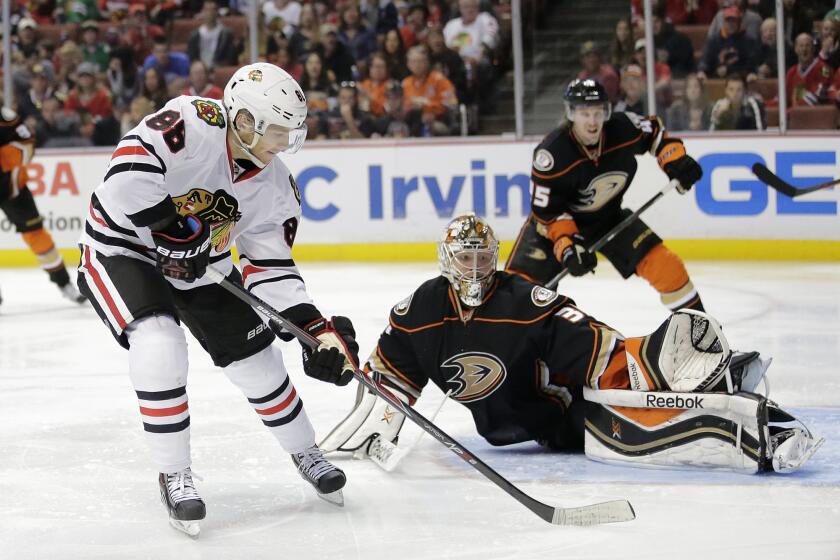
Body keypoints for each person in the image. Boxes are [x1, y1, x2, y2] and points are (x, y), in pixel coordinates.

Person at [75, 63, 359, 537]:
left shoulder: (275, 187)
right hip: (124, 249)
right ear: (243, 120)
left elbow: (271, 271)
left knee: (258, 360)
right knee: (160, 344)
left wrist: (315, 329)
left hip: (201, 264)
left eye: (291, 134)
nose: (282, 145)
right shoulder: (194, 121)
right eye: (276, 132)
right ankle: (174, 472)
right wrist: (171, 227)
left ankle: (306, 450)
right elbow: (125, 173)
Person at [320, 214, 822, 476]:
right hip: (518, 429)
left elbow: (596, 348)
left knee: (632, 428)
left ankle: (745, 425)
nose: (474, 269)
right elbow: (389, 383)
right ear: (445, 259)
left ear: (496, 258)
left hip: (567, 413)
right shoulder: (420, 311)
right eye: (465, 259)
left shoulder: (524, 299)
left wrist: (647, 371)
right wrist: (372, 426)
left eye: (483, 258)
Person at [505, 79, 705, 314]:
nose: (592, 121)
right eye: (584, 113)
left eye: (598, 112)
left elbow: (656, 136)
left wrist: (675, 160)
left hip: (609, 218)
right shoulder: (552, 155)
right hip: (552, 229)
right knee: (519, 294)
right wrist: (567, 247)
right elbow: (548, 212)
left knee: (668, 268)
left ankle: (702, 341)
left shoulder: (622, 128)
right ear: (571, 114)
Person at [0, 107, 86, 304]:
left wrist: (4, 158)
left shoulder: (7, 118)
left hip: (13, 188)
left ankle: (64, 283)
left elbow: (28, 145)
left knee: (38, 236)